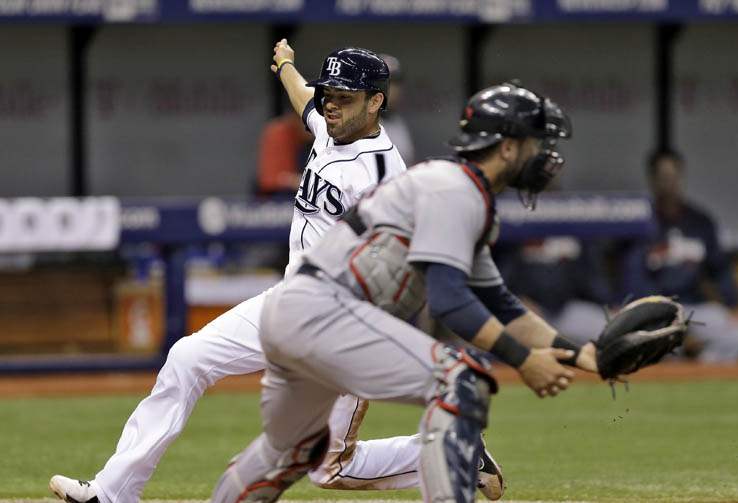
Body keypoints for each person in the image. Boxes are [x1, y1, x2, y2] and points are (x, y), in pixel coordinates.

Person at [49, 42, 503, 503]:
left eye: (344, 97)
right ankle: (113, 492)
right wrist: (286, 63)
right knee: (187, 359)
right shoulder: (329, 126)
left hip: (342, 327)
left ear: (376, 101)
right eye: (331, 95)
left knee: (331, 470)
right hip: (288, 301)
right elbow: (304, 96)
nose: (331, 105)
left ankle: (455, 451)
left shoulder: (384, 173)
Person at [209, 82, 602, 503]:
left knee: (290, 455)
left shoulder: (452, 188)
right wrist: (525, 361)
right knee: (460, 385)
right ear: (507, 148)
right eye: (533, 143)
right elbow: (450, 301)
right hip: (331, 316)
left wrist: (585, 356)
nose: (541, 154)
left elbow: (499, 302)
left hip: (294, 314)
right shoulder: (455, 192)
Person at [621, 149, 738, 362]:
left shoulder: (700, 222)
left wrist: (732, 306)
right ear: (652, 179)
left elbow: (720, 268)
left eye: (673, 176)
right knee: (657, 346)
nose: (668, 183)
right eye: (663, 177)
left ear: (681, 176)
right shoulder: (642, 223)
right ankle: (674, 370)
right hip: (658, 309)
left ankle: (702, 373)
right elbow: (634, 273)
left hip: (695, 306)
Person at [495, 237, 614, 345]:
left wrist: (610, 304)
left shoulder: (578, 233)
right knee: (491, 333)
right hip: (526, 311)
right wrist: (517, 301)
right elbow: (499, 284)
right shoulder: (516, 232)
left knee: (612, 332)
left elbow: (592, 281)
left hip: (568, 310)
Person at [378, 53, 416, 166]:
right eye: (388, 83)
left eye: (397, 83)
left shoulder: (397, 122)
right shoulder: (360, 126)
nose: (395, 90)